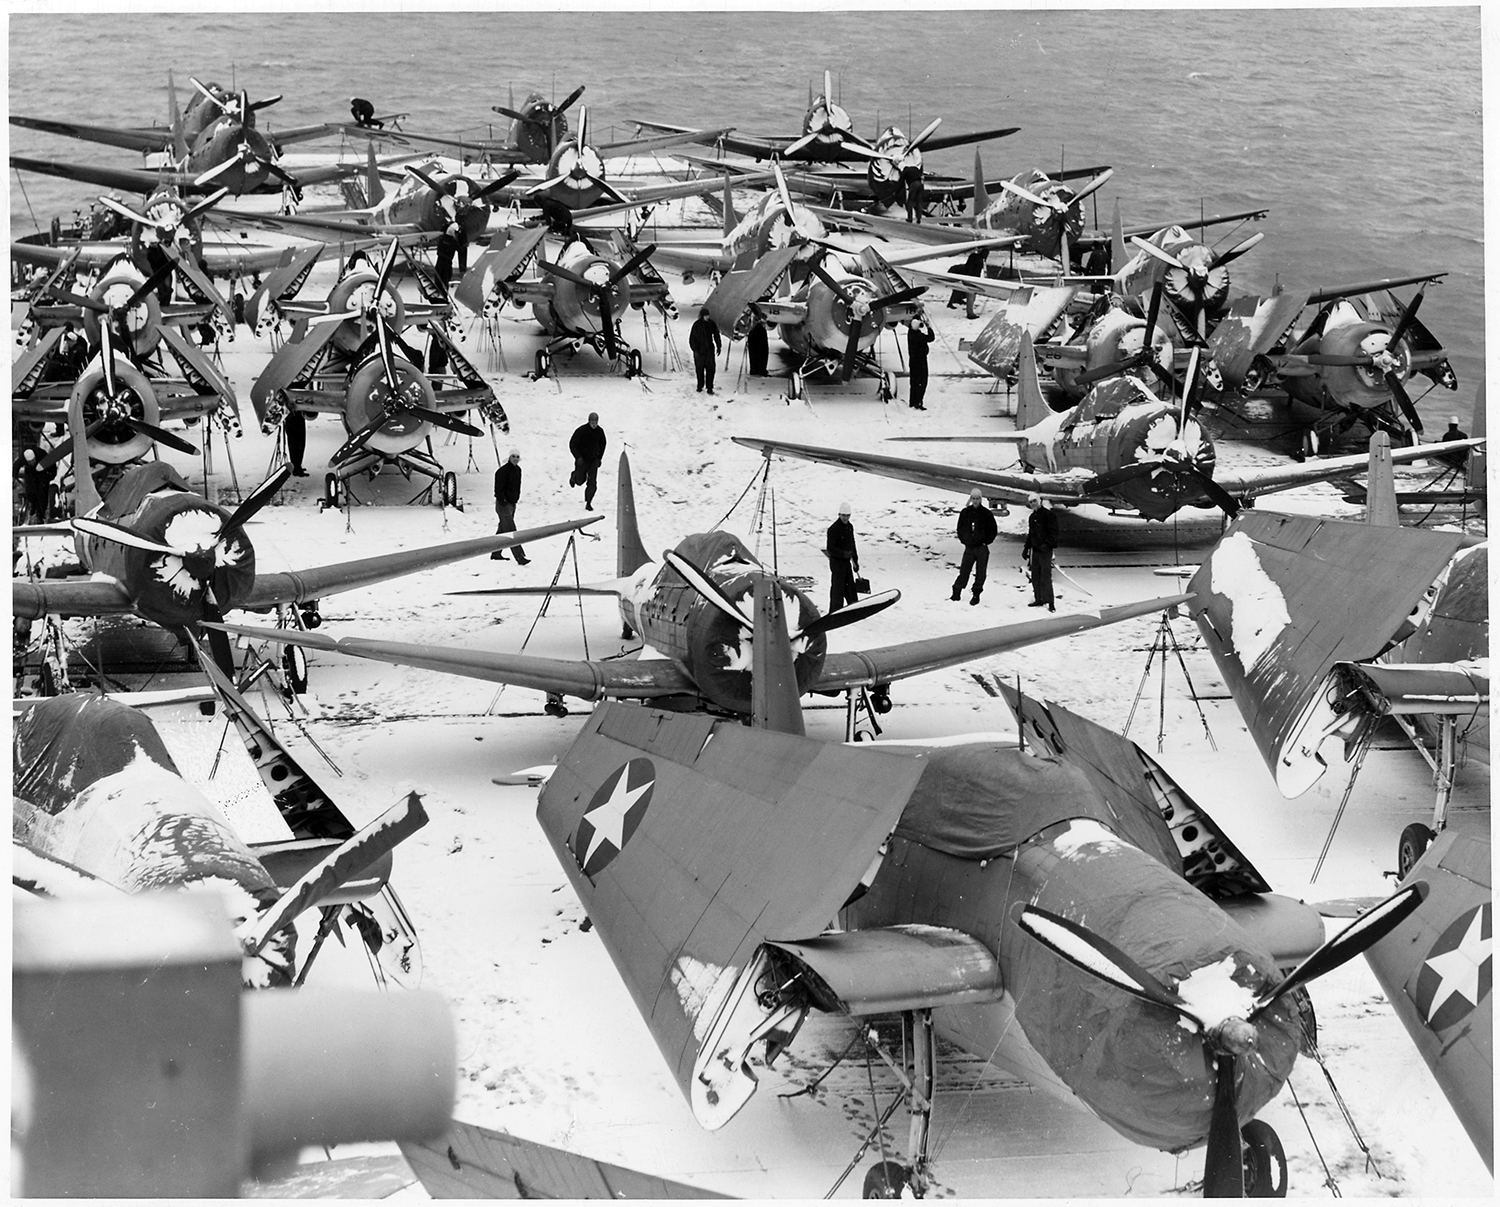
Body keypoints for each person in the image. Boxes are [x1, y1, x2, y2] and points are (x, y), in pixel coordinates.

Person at [950, 488, 997, 605]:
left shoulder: (986, 514)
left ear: (980, 499)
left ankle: (976, 593)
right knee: (964, 570)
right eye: (973, 498)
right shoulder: (965, 513)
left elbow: (993, 529)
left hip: (981, 547)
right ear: (971, 499)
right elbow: (960, 528)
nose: (975, 501)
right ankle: (957, 591)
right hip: (969, 547)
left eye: (977, 499)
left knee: (980, 572)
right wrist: (964, 540)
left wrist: (986, 541)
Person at [491, 449, 530, 563]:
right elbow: (498, 488)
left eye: (517, 457)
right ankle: (520, 557)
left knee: (503, 529)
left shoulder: (518, 470)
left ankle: (496, 552)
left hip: (512, 504)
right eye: (513, 456)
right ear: (509, 457)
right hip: (503, 505)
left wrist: (515, 500)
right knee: (511, 531)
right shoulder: (502, 471)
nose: (515, 459)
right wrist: (502, 500)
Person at [1022, 493, 1059, 611]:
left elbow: (1054, 532)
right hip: (1036, 550)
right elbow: (1031, 534)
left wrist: (1047, 544)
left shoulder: (1048, 515)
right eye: (1031, 502)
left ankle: (1050, 602)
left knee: (1045, 577)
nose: (1033, 504)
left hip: (1045, 551)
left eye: (1034, 501)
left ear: (1039, 501)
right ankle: (1039, 598)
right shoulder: (1032, 517)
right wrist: (1026, 548)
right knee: (1036, 576)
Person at [825, 502, 860, 613]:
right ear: (839, 514)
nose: (845, 518)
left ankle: (854, 608)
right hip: (837, 563)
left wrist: (855, 560)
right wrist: (842, 554)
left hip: (846, 562)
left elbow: (852, 544)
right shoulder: (833, 529)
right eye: (843, 515)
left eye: (847, 516)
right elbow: (830, 548)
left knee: (850, 586)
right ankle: (835, 611)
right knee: (837, 589)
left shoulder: (849, 527)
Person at [568, 412, 607, 510]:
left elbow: (603, 445)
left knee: (592, 483)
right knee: (580, 481)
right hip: (582, 460)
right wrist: (578, 457)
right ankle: (574, 477)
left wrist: (599, 458)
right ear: (589, 421)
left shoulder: (600, 432)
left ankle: (588, 502)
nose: (594, 424)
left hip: (593, 461)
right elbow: (573, 444)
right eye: (592, 422)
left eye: (596, 422)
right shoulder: (581, 431)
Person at [689, 307, 722, 395]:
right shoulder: (697, 325)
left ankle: (709, 387)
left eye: (708, 315)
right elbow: (692, 338)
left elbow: (716, 335)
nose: (707, 317)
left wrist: (719, 346)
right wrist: (694, 349)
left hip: (709, 350)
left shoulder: (711, 324)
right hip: (699, 350)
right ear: (702, 316)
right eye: (706, 315)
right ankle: (700, 386)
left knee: (711, 369)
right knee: (699, 369)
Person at [906, 316, 933, 410]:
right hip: (920, 361)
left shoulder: (911, 333)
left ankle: (912, 401)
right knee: (922, 382)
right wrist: (929, 327)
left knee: (914, 382)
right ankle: (918, 401)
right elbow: (931, 338)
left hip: (913, 361)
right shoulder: (918, 336)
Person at [283, 408, 308, 476]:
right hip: (295, 419)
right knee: (297, 445)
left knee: (297, 444)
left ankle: (297, 466)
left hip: (294, 418)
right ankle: (296, 468)